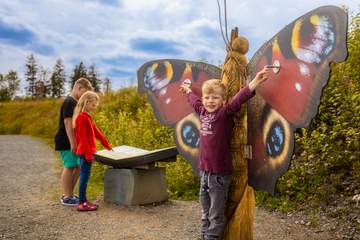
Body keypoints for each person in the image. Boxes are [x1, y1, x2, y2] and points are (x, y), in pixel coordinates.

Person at [179, 66, 269, 240]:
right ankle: (204, 236)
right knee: (205, 212)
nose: (210, 101)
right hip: (204, 173)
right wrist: (188, 90)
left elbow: (239, 98)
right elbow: (194, 101)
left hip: (219, 175)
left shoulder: (224, 113)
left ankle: (211, 238)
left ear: (222, 100)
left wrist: (255, 81)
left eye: (215, 97)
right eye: (207, 97)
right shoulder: (203, 112)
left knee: (215, 215)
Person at [55, 78, 93, 206]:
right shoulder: (69, 102)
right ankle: (67, 196)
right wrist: (73, 143)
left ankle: (70, 193)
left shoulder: (75, 102)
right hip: (66, 140)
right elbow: (67, 122)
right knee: (70, 166)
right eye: (84, 93)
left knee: (77, 166)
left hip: (74, 141)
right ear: (79, 88)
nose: (84, 96)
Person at [73, 91, 112, 211]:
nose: (94, 107)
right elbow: (82, 139)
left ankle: (84, 200)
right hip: (85, 153)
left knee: (86, 176)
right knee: (84, 178)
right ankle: (81, 203)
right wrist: (88, 154)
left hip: (88, 153)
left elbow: (97, 133)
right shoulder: (81, 118)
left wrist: (107, 145)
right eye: (93, 105)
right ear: (87, 102)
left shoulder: (87, 117)